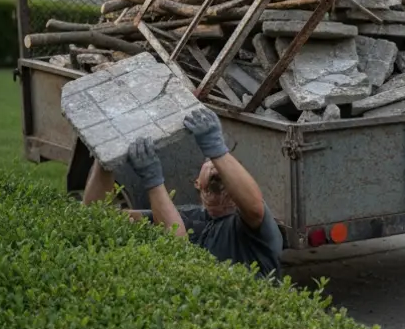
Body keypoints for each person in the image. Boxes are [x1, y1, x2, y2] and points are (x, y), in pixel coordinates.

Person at [82, 105, 283, 277]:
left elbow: (254, 207)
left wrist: (216, 149)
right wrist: (105, 159)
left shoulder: (253, 228)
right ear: (196, 183)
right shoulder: (188, 217)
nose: (215, 166)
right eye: (210, 163)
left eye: (223, 167)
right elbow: (98, 216)